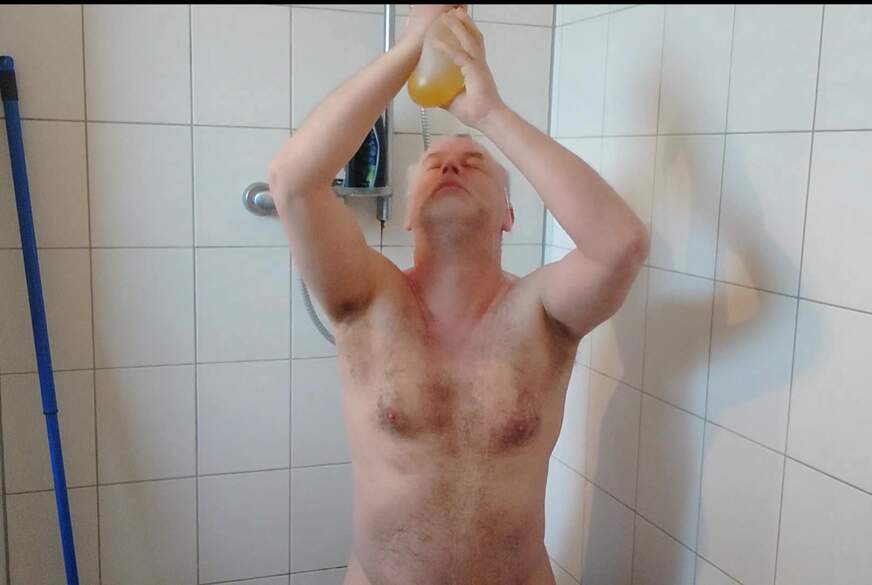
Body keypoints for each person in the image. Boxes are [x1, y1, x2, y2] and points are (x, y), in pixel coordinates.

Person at [268, 5, 648, 584]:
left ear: (509, 215)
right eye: (433, 165)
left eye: (474, 163)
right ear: (405, 215)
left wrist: (488, 113)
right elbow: (293, 182)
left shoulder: (542, 312)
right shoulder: (367, 300)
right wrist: (409, 49)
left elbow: (620, 244)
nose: (451, 167)